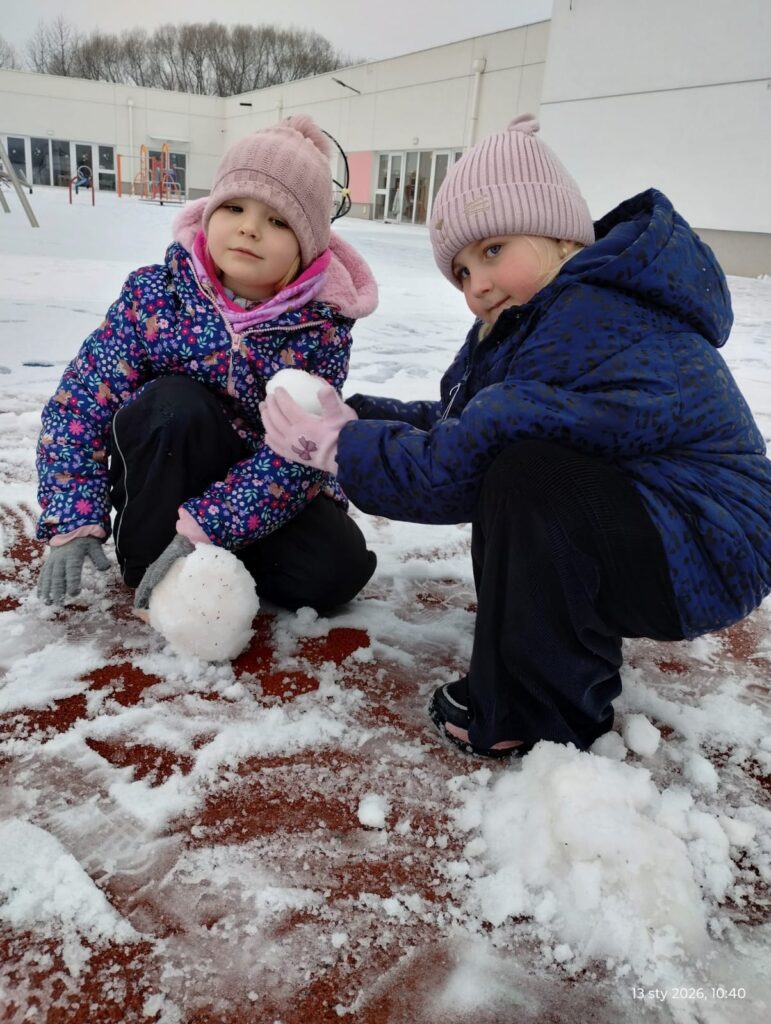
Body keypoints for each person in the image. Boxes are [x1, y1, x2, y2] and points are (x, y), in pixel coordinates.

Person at [261, 114, 771, 758]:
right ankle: (549, 658)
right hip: (666, 526)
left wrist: (342, 447)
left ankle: (540, 713)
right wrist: (361, 417)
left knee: (525, 476)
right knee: (524, 472)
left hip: (710, 542)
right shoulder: (544, 316)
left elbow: (462, 463)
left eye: (494, 250)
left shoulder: (594, 319)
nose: (477, 284)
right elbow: (464, 417)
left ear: (560, 235)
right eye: (461, 272)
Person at [36, 115, 379, 619]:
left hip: (258, 488)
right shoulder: (155, 297)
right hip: (166, 468)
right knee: (174, 404)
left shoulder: (320, 329)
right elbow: (81, 403)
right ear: (210, 211)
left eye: (278, 221)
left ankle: (214, 550)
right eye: (235, 207)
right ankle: (152, 557)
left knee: (338, 571)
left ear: (307, 245)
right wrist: (73, 516)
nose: (249, 228)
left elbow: (299, 454)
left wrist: (208, 526)